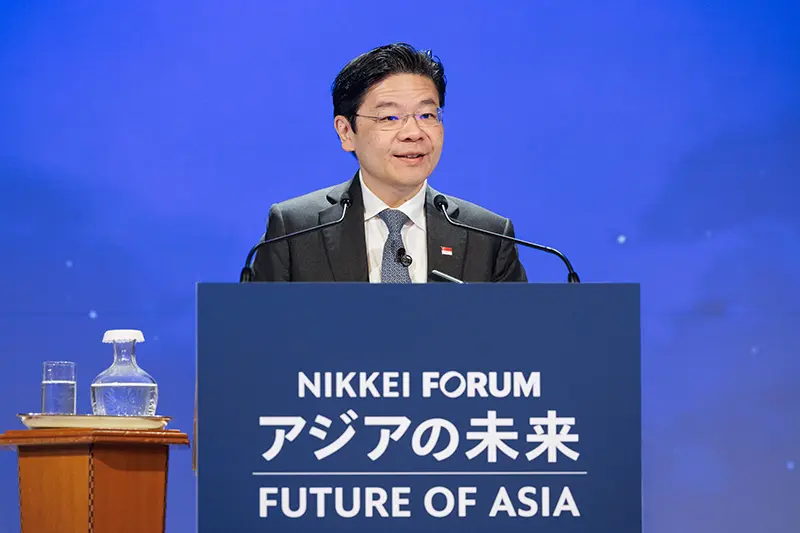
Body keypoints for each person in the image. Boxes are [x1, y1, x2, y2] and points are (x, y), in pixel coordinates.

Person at [253, 43, 527, 283]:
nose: (413, 133)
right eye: (389, 118)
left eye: (427, 115)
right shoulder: (294, 231)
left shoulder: (488, 237)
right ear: (346, 132)